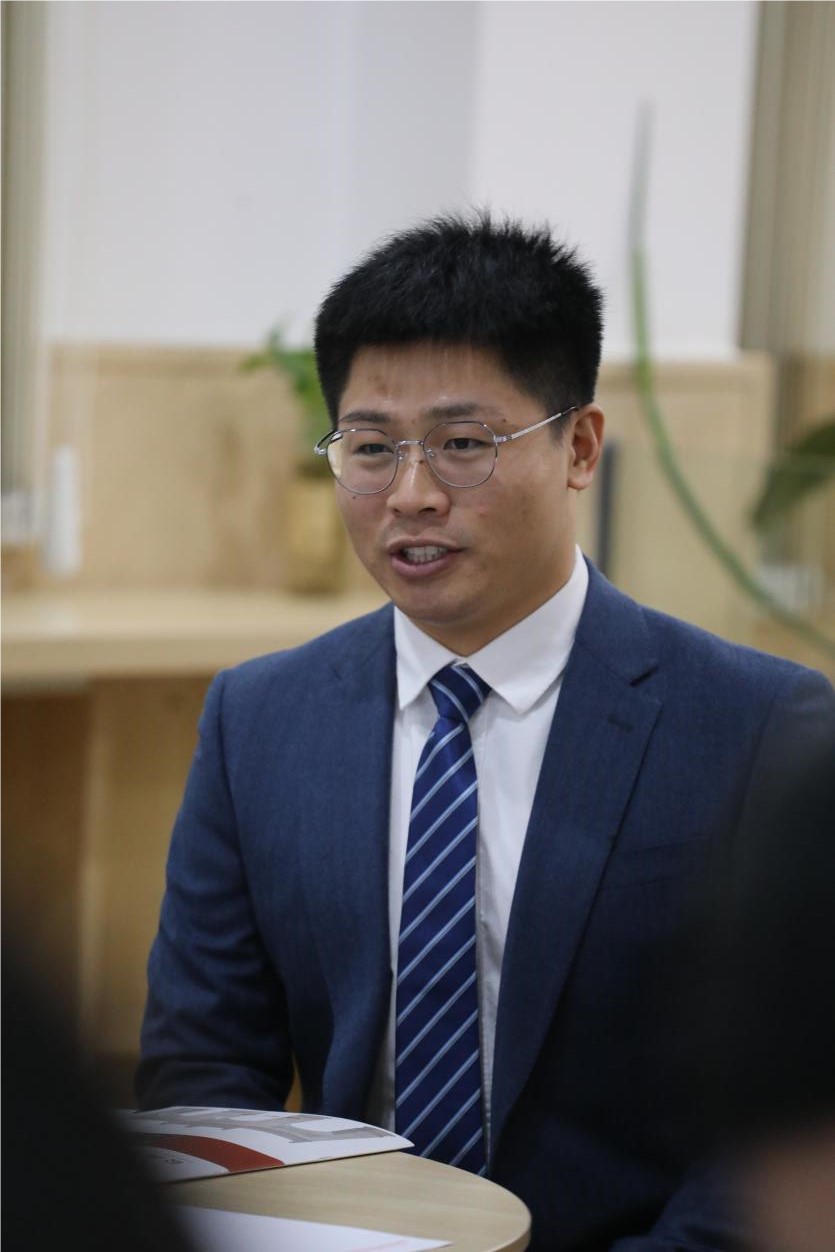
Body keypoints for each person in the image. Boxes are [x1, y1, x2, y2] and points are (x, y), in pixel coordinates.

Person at [137, 213, 835, 1251]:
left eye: (463, 445)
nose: (411, 496)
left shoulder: (760, 727)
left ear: (579, 447)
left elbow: (785, 1124)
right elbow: (203, 1072)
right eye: (371, 449)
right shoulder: (260, 718)